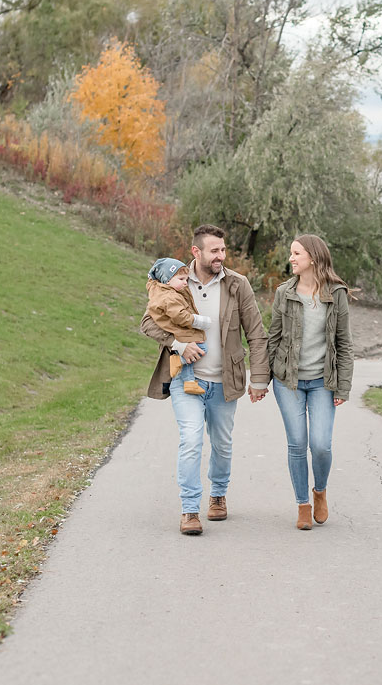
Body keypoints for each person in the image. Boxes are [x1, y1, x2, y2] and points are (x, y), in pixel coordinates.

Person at [140, 225, 270, 536]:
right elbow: (147, 322)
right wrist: (177, 344)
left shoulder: (238, 285)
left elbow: (256, 333)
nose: (221, 256)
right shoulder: (175, 284)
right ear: (196, 252)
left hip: (225, 382)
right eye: (215, 251)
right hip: (187, 380)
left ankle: (218, 494)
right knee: (191, 441)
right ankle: (189, 510)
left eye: (223, 251)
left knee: (222, 445)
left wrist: (260, 379)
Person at [266, 234, 354, 531]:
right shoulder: (284, 293)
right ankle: (302, 504)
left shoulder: (336, 293)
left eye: (296, 253)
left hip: (322, 382)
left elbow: (345, 343)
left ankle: (320, 491)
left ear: (313, 258)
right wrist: (260, 381)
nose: (291, 258)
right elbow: (273, 337)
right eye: (291, 253)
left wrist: (343, 386)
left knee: (320, 446)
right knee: (297, 444)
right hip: (288, 381)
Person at [145, 258, 209, 396]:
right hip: (182, 333)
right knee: (200, 350)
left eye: (186, 279)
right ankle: (179, 363)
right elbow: (147, 323)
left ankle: (189, 382)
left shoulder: (174, 289)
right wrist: (178, 344)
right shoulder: (167, 295)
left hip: (188, 333)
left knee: (192, 357)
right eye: (181, 279)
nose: (185, 282)